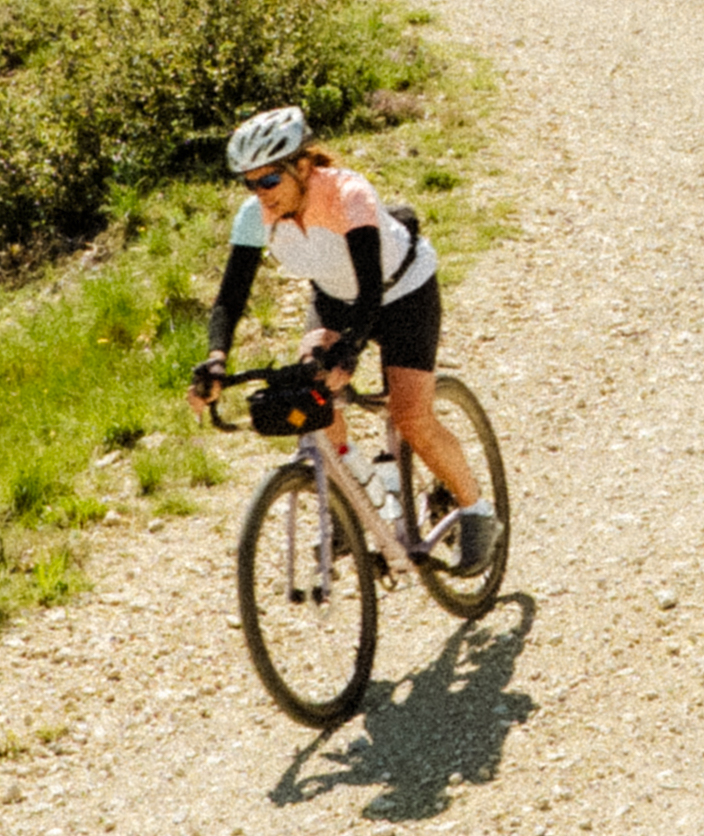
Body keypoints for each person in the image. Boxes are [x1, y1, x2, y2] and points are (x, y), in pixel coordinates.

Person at [197, 103, 493, 571]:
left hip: (401, 293)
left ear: (303, 166)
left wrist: (350, 350)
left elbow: (371, 286)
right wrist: (215, 360)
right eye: (249, 183)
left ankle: (477, 510)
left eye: (269, 180)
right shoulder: (255, 217)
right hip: (335, 299)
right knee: (310, 400)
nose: (260, 194)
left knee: (410, 415)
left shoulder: (347, 193)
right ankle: (359, 498)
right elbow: (230, 297)